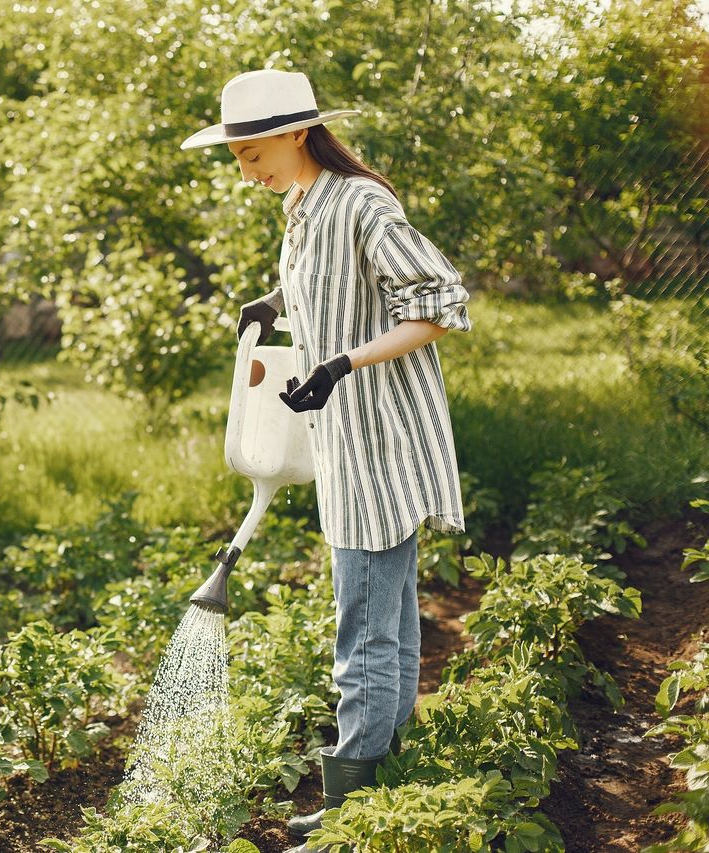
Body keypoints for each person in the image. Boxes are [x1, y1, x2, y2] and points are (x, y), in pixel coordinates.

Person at [180, 69, 473, 852]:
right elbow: (328, 287)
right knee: (389, 615)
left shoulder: (362, 204)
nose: (247, 167)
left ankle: (352, 803)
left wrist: (343, 363)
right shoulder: (300, 207)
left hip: (380, 436)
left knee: (364, 629)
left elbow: (441, 303)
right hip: (344, 440)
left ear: (299, 133)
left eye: (255, 151)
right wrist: (273, 304)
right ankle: (388, 775)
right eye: (237, 155)